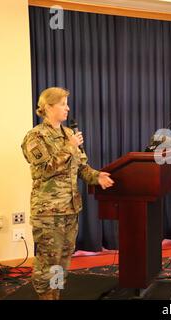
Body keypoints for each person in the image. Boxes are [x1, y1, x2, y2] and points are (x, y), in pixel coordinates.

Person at [21, 87, 114, 300]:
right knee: (48, 260)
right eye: (63, 104)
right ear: (47, 107)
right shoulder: (35, 136)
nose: (68, 108)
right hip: (48, 212)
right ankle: (46, 297)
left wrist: (97, 176)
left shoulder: (69, 134)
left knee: (63, 259)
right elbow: (44, 170)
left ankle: (56, 295)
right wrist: (70, 148)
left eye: (66, 103)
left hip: (70, 208)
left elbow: (81, 167)